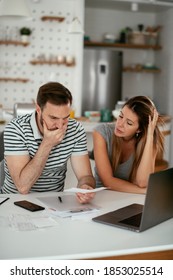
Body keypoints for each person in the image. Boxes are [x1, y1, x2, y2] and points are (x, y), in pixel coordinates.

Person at [2, 82, 95, 203]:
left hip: (54, 204)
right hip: (15, 202)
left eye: (66, 117)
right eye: (54, 118)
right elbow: (23, 187)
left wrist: (85, 187)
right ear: (38, 109)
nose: (61, 126)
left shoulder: (75, 129)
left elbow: (85, 176)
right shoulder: (15, 130)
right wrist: (47, 144)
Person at [93, 96, 165, 194]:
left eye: (129, 123)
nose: (120, 124)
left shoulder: (148, 141)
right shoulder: (102, 132)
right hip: (102, 196)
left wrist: (149, 136)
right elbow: (107, 181)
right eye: (121, 116)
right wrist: (145, 192)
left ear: (139, 129)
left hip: (130, 197)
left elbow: (143, 182)